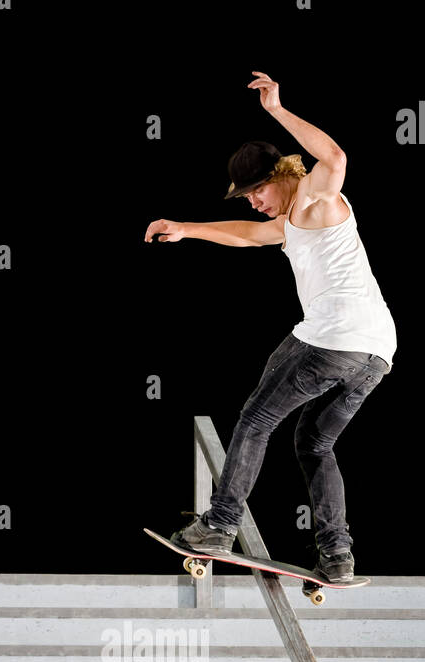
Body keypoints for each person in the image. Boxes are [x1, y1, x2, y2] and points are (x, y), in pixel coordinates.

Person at [144, 71, 396, 581]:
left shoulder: (312, 195)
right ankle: (337, 555)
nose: (255, 202)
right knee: (315, 443)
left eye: (257, 191)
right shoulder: (290, 219)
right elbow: (250, 236)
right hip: (375, 353)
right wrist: (188, 229)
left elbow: (337, 160)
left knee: (257, 418)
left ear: (280, 174)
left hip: (335, 340)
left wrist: (277, 110)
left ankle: (219, 524)